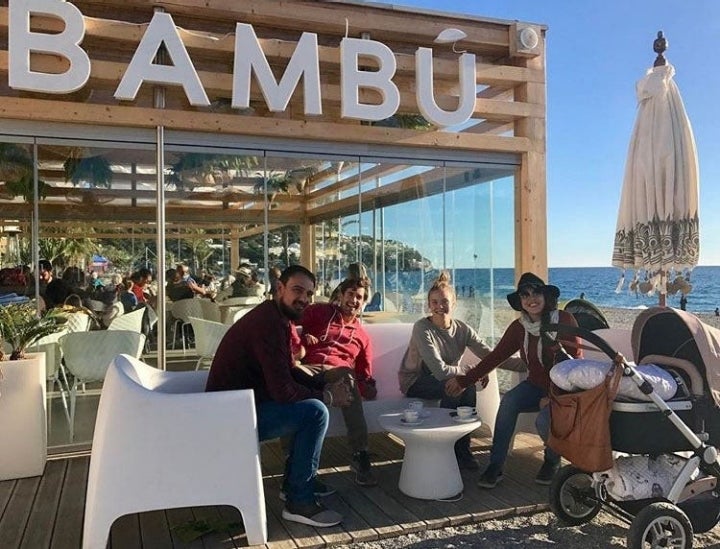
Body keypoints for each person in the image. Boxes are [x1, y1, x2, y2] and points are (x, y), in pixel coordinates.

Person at [206, 265, 348, 528]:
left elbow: (288, 371)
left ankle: (293, 482)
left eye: (309, 293)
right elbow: (283, 391)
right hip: (229, 417)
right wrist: (327, 397)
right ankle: (298, 500)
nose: (304, 299)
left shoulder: (276, 319)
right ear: (279, 288)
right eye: (297, 290)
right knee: (314, 413)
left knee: (311, 406)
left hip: (240, 406)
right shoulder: (267, 324)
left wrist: (320, 382)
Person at [446, 272, 582, 488]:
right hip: (535, 385)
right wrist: (465, 380)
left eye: (536, 292)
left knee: (544, 420)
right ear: (520, 302)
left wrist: (552, 396)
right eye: (525, 295)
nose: (531, 299)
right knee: (509, 401)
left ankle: (551, 461)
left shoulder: (563, 320)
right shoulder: (519, 327)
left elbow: (575, 365)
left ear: (546, 296)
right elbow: (495, 357)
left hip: (566, 390)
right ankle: (495, 465)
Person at [399, 271, 493, 470]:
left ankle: (460, 447)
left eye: (444, 301)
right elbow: (440, 371)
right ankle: (445, 447)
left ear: (454, 303)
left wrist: (525, 363)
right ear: (428, 304)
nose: (439, 306)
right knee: (458, 385)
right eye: (434, 302)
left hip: (445, 379)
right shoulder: (422, 328)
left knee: (462, 385)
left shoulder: (462, 329)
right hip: (415, 380)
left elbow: (491, 354)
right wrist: (471, 373)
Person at [295, 276, 377, 486]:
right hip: (308, 368)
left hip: (336, 374)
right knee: (290, 374)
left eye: (359, 297)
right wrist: (303, 339)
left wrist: (367, 386)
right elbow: (289, 326)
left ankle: (360, 454)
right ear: (341, 295)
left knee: (346, 376)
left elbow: (363, 371)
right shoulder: (320, 312)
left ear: (363, 302)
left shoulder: (362, 336)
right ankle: (291, 458)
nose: (354, 300)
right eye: (350, 294)